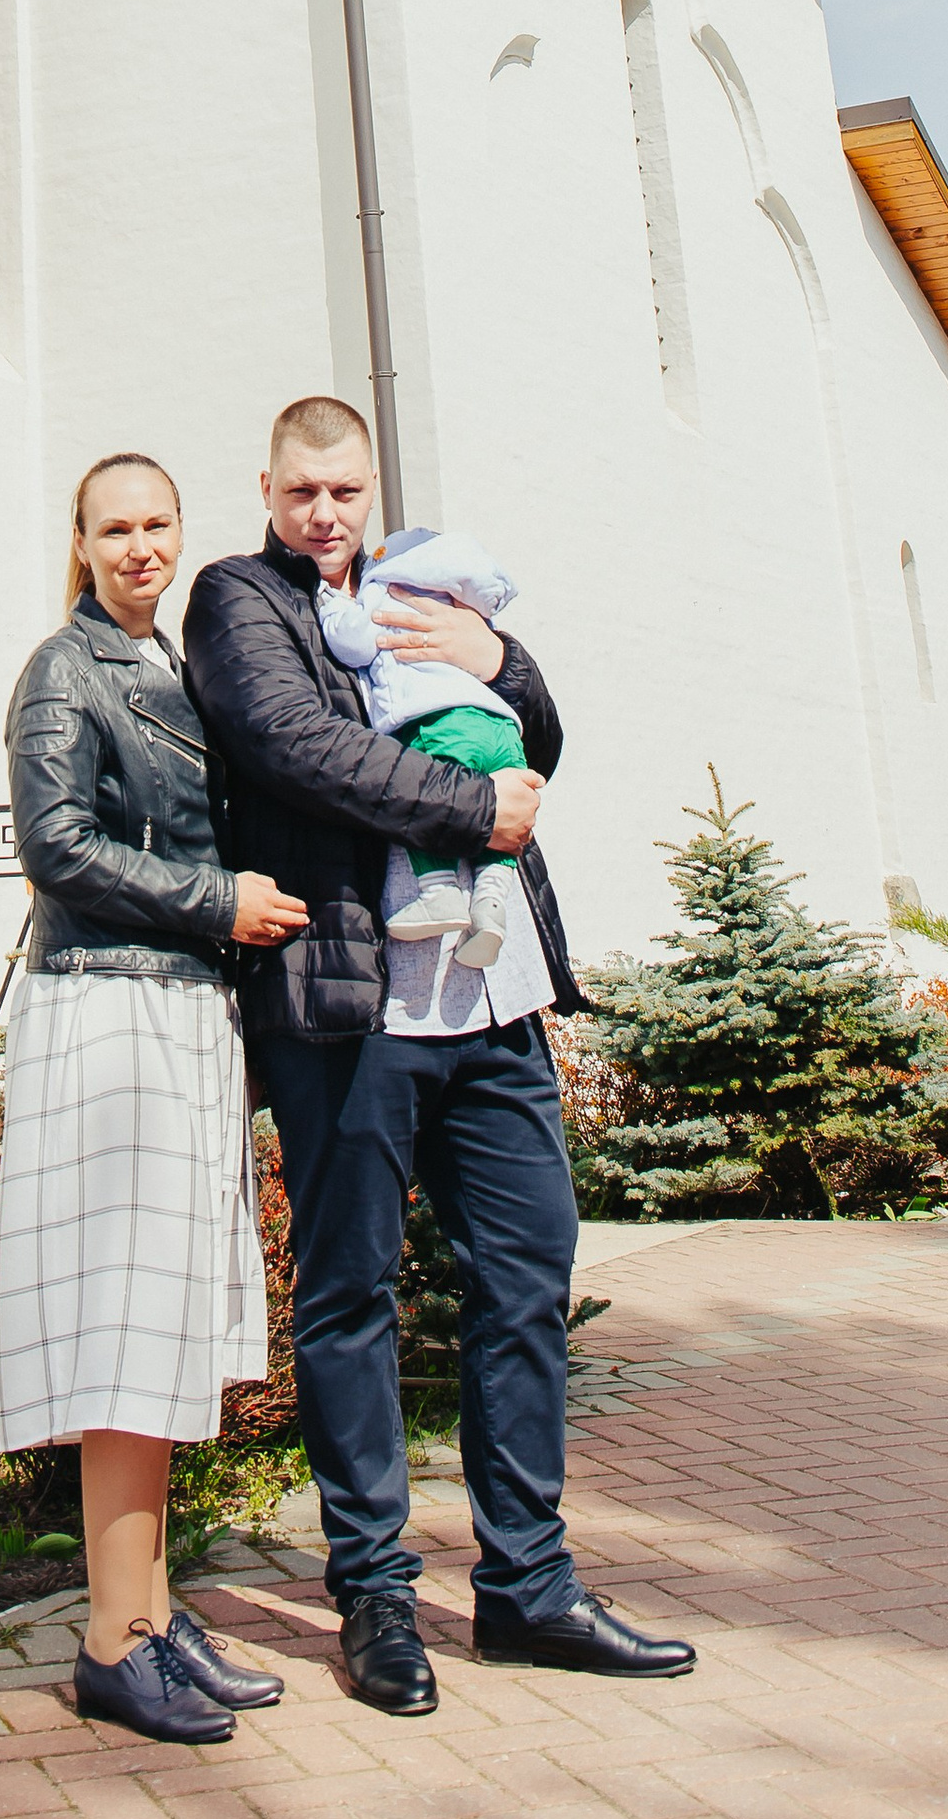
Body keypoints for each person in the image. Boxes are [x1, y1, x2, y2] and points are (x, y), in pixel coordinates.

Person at [185, 395, 697, 1714]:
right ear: (269, 488)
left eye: (346, 491)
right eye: (304, 492)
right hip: (352, 1011)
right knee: (350, 1298)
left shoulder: (423, 591)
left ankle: (528, 1587)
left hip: (497, 1002)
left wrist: (501, 655)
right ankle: (375, 1599)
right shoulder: (242, 601)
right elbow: (297, 752)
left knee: (528, 1276)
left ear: (371, 487)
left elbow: (540, 744)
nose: (327, 514)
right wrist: (477, 806)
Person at [0, 454, 310, 1746]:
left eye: (157, 524)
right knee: (126, 1321)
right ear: (78, 539)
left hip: (177, 1010)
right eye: (114, 528)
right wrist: (218, 901)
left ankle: (156, 1611)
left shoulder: (166, 667)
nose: (139, 546)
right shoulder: (64, 673)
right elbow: (55, 845)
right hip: (109, 1008)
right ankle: (112, 1642)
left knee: (167, 1321)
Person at [315, 526, 529, 962]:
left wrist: (330, 607)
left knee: (421, 789)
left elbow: (354, 643)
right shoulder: (462, 605)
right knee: (503, 828)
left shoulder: (389, 588)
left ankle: (439, 893)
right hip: (504, 729)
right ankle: (490, 906)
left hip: (443, 723)